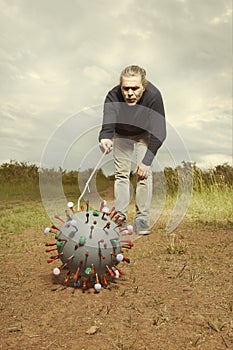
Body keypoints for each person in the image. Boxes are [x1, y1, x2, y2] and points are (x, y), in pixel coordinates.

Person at [98, 65, 166, 235]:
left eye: (135, 88)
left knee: (143, 173)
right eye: (125, 88)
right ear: (120, 87)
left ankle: (142, 218)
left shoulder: (154, 96)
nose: (129, 93)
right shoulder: (113, 95)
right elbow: (107, 124)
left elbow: (160, 131)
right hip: (121, 134)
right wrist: (104, 138)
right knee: (121, 174)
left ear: (144, 86)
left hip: (145, 133)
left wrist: (146, 162)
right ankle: (120, 218)